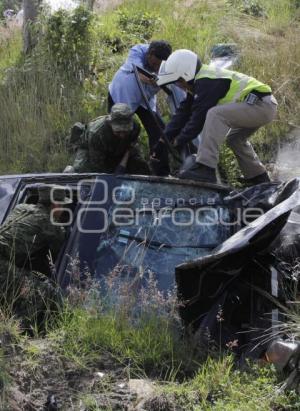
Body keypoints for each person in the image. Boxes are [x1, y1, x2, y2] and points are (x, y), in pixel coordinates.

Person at [155, 49, 278, 184]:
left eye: (178, 81)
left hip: (261, 105)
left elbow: (197, 121)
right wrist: (163, 140)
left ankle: (206, 168)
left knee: (215, 114)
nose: (178, 86)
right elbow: (182, 114)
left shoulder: (207, 82)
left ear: (186, 74)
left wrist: (179, 141)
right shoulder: (200, 82)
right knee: (234, 139)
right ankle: (259, 177)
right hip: (259, 105)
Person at [0, 184, 70, 322]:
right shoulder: (51, 224)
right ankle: (16, 329)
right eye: (63, 205)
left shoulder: (21, 207)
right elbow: (57, 250)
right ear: (56, 204)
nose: (63, 209)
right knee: (44, 291)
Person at [108, 41, 173, 176]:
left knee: (159, 130)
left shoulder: (170, 66)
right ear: (149, 54)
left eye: (158, 66)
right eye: (153, 64)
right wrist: (148, 78)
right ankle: (115, 169)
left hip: (145, 100)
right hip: (122, 94)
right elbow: (138, 71)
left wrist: (161, 79)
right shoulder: (138, 50)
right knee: (118, 132)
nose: (155, 67)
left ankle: (161, 172)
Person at [70, 103, 150, 175]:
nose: (122, 135)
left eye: (125, 131)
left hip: (119, 149)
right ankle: (70, 171)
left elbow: (131, 147)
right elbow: (97, 164)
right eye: (118, 131)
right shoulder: (96, 133)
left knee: (141, 166)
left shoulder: (135, 127)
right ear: (110, 123)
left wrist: (125, 161)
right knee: (83, 170)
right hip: (90, 150)